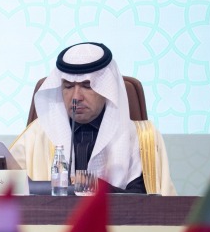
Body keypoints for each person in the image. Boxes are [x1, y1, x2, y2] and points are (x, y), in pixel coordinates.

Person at [9, 42, 176, 195]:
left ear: (107, 89)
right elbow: (6, 187)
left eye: (87, 86)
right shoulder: (36, 135)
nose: (76, 97)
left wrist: (97, 186)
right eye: (68, 86)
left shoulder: (141, 137)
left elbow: (144, 202)